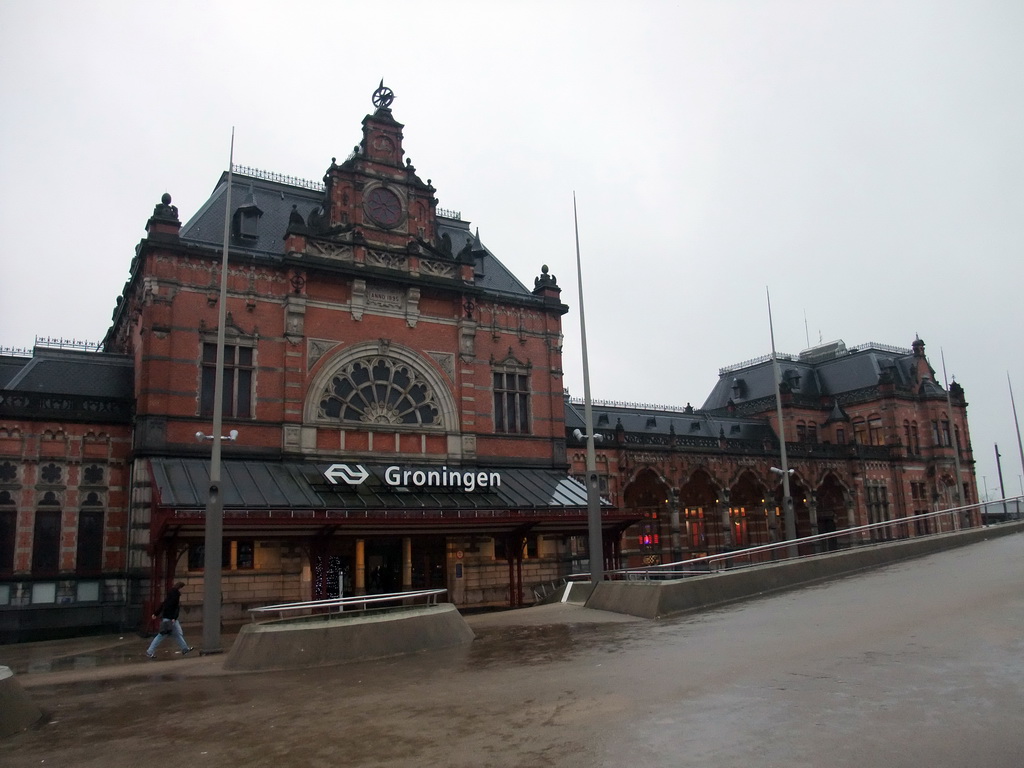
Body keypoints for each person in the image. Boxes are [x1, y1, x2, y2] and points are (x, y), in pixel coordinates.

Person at [146, 581, 194, 659]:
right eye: (183, 589)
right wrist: (173, 618)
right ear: (180, 588)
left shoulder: (171, 593)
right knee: (162, 635)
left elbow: (164, 604)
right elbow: (174, 607)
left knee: (177, 634)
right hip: (170, 618)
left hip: (169, 617)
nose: (184, 591)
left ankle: (185, 648)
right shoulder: (176, 595)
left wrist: (156, 614)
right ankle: (149, 651)